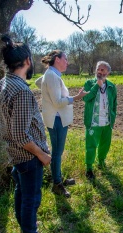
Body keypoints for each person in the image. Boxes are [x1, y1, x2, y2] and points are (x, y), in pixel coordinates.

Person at [0, 35, 59, 233]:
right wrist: (42, 155)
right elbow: (20, 135)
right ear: (28, 61)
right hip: (28, 156)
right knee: (31, 200)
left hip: (15, 155)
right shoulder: (21, 91)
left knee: (21, 194)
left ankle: (26, 227)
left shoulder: (3, 84)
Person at [35, 50, 87, 198]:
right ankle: (57, 184)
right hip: (56, 119)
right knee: (57, 153)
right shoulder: (51, 75)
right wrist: (76, 98)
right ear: (57, 59)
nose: (67, 62)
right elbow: (58, 103)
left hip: (58, 119)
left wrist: (47, 89)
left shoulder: (51, 74)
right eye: (65, 59)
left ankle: (59, 178)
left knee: (58, 151)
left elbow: (39, 82)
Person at [82, 61, 117, 180]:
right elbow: (86, 98)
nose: (100, 72)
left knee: (104, 145)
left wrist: (113, 118)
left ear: (108, 72)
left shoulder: (111, 86)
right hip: (93, 122)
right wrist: (97, 85)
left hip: (107, 122)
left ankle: (101, 162)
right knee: (91, 145)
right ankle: (89, 168)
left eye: (103, 70)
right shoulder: (89, 83)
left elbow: (114, 105)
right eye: (98, 69)